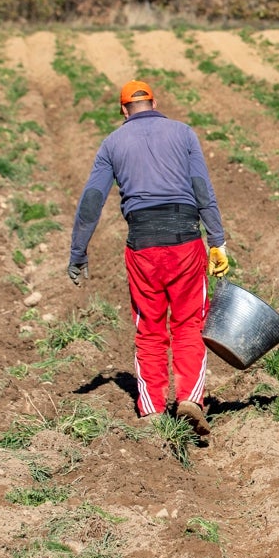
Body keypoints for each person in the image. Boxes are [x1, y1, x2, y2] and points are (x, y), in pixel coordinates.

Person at [68, 80, 229, 436]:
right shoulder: (183, 133)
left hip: (141, 245)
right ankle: (190, 398)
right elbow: (202, 189)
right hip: (185, 240)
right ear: (155, 103)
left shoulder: (112, 143)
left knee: (149, 328)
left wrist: (78, 251)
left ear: (123, 110)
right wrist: (216, 239)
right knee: (189, 323)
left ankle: (153, 409)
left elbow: (92, 200)